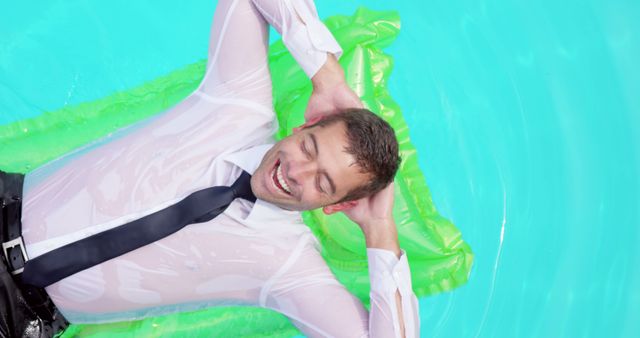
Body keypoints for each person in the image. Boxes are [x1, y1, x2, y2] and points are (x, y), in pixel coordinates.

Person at [0, 0, 421, 337]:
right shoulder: (236, 105)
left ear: (332, 207)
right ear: (305, 124)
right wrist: (327, 78)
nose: (297, 172)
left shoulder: (289, 268)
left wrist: (379, 226)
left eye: (323, 183)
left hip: (16, 316)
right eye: (308, 148)